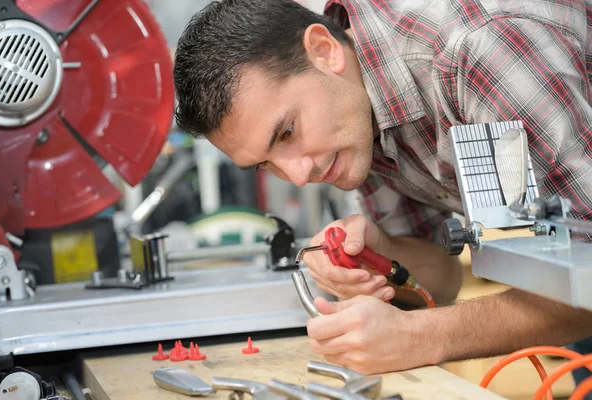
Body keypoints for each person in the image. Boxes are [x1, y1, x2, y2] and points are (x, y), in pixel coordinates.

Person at [172, 0, 592, 384]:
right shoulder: (354, 111)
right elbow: (441, 283)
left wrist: (421, 336)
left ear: (324, 51)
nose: (298, 175)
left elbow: (587, 279)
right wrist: (383, 254)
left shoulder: (476, 50)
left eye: (286, 132)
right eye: (265, 163)